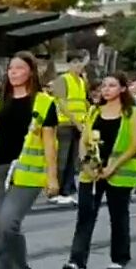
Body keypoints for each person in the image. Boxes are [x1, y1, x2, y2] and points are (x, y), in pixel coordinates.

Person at [0, 52, 60, 269]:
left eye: (19, 68)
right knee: (0, 226)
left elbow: (49, 142)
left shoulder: (44, 102)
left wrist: (52, 176)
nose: (13, 72)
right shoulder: (0, 100)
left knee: (9, 222)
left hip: (28, 172)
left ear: (31, 72)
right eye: (10, 68)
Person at [63, 73, 136, 269]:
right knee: (85, 215)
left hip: (119, 172)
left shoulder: (132, 112)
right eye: (104, 86)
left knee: (118, 215)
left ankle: (120, 256)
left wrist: (112, 166)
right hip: (92, 172)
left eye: (112, 85)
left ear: (123, 89)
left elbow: (133, 145)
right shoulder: (94, 111)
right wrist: (85, 164)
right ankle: (77, 262)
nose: (106, 89)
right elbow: (84, 140)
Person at [49, 52, 89, 206]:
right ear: (68, 65)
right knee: (62, 159)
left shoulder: (81, 81)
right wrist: (76, 121)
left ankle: (67, 188)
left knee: (73, 159)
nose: (78, 66)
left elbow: (83, 101)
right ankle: (56, 190)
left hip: (79, 125)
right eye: (75, 63)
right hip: (65, 124)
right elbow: (62, 104)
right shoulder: (62, 80)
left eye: (80, 63)